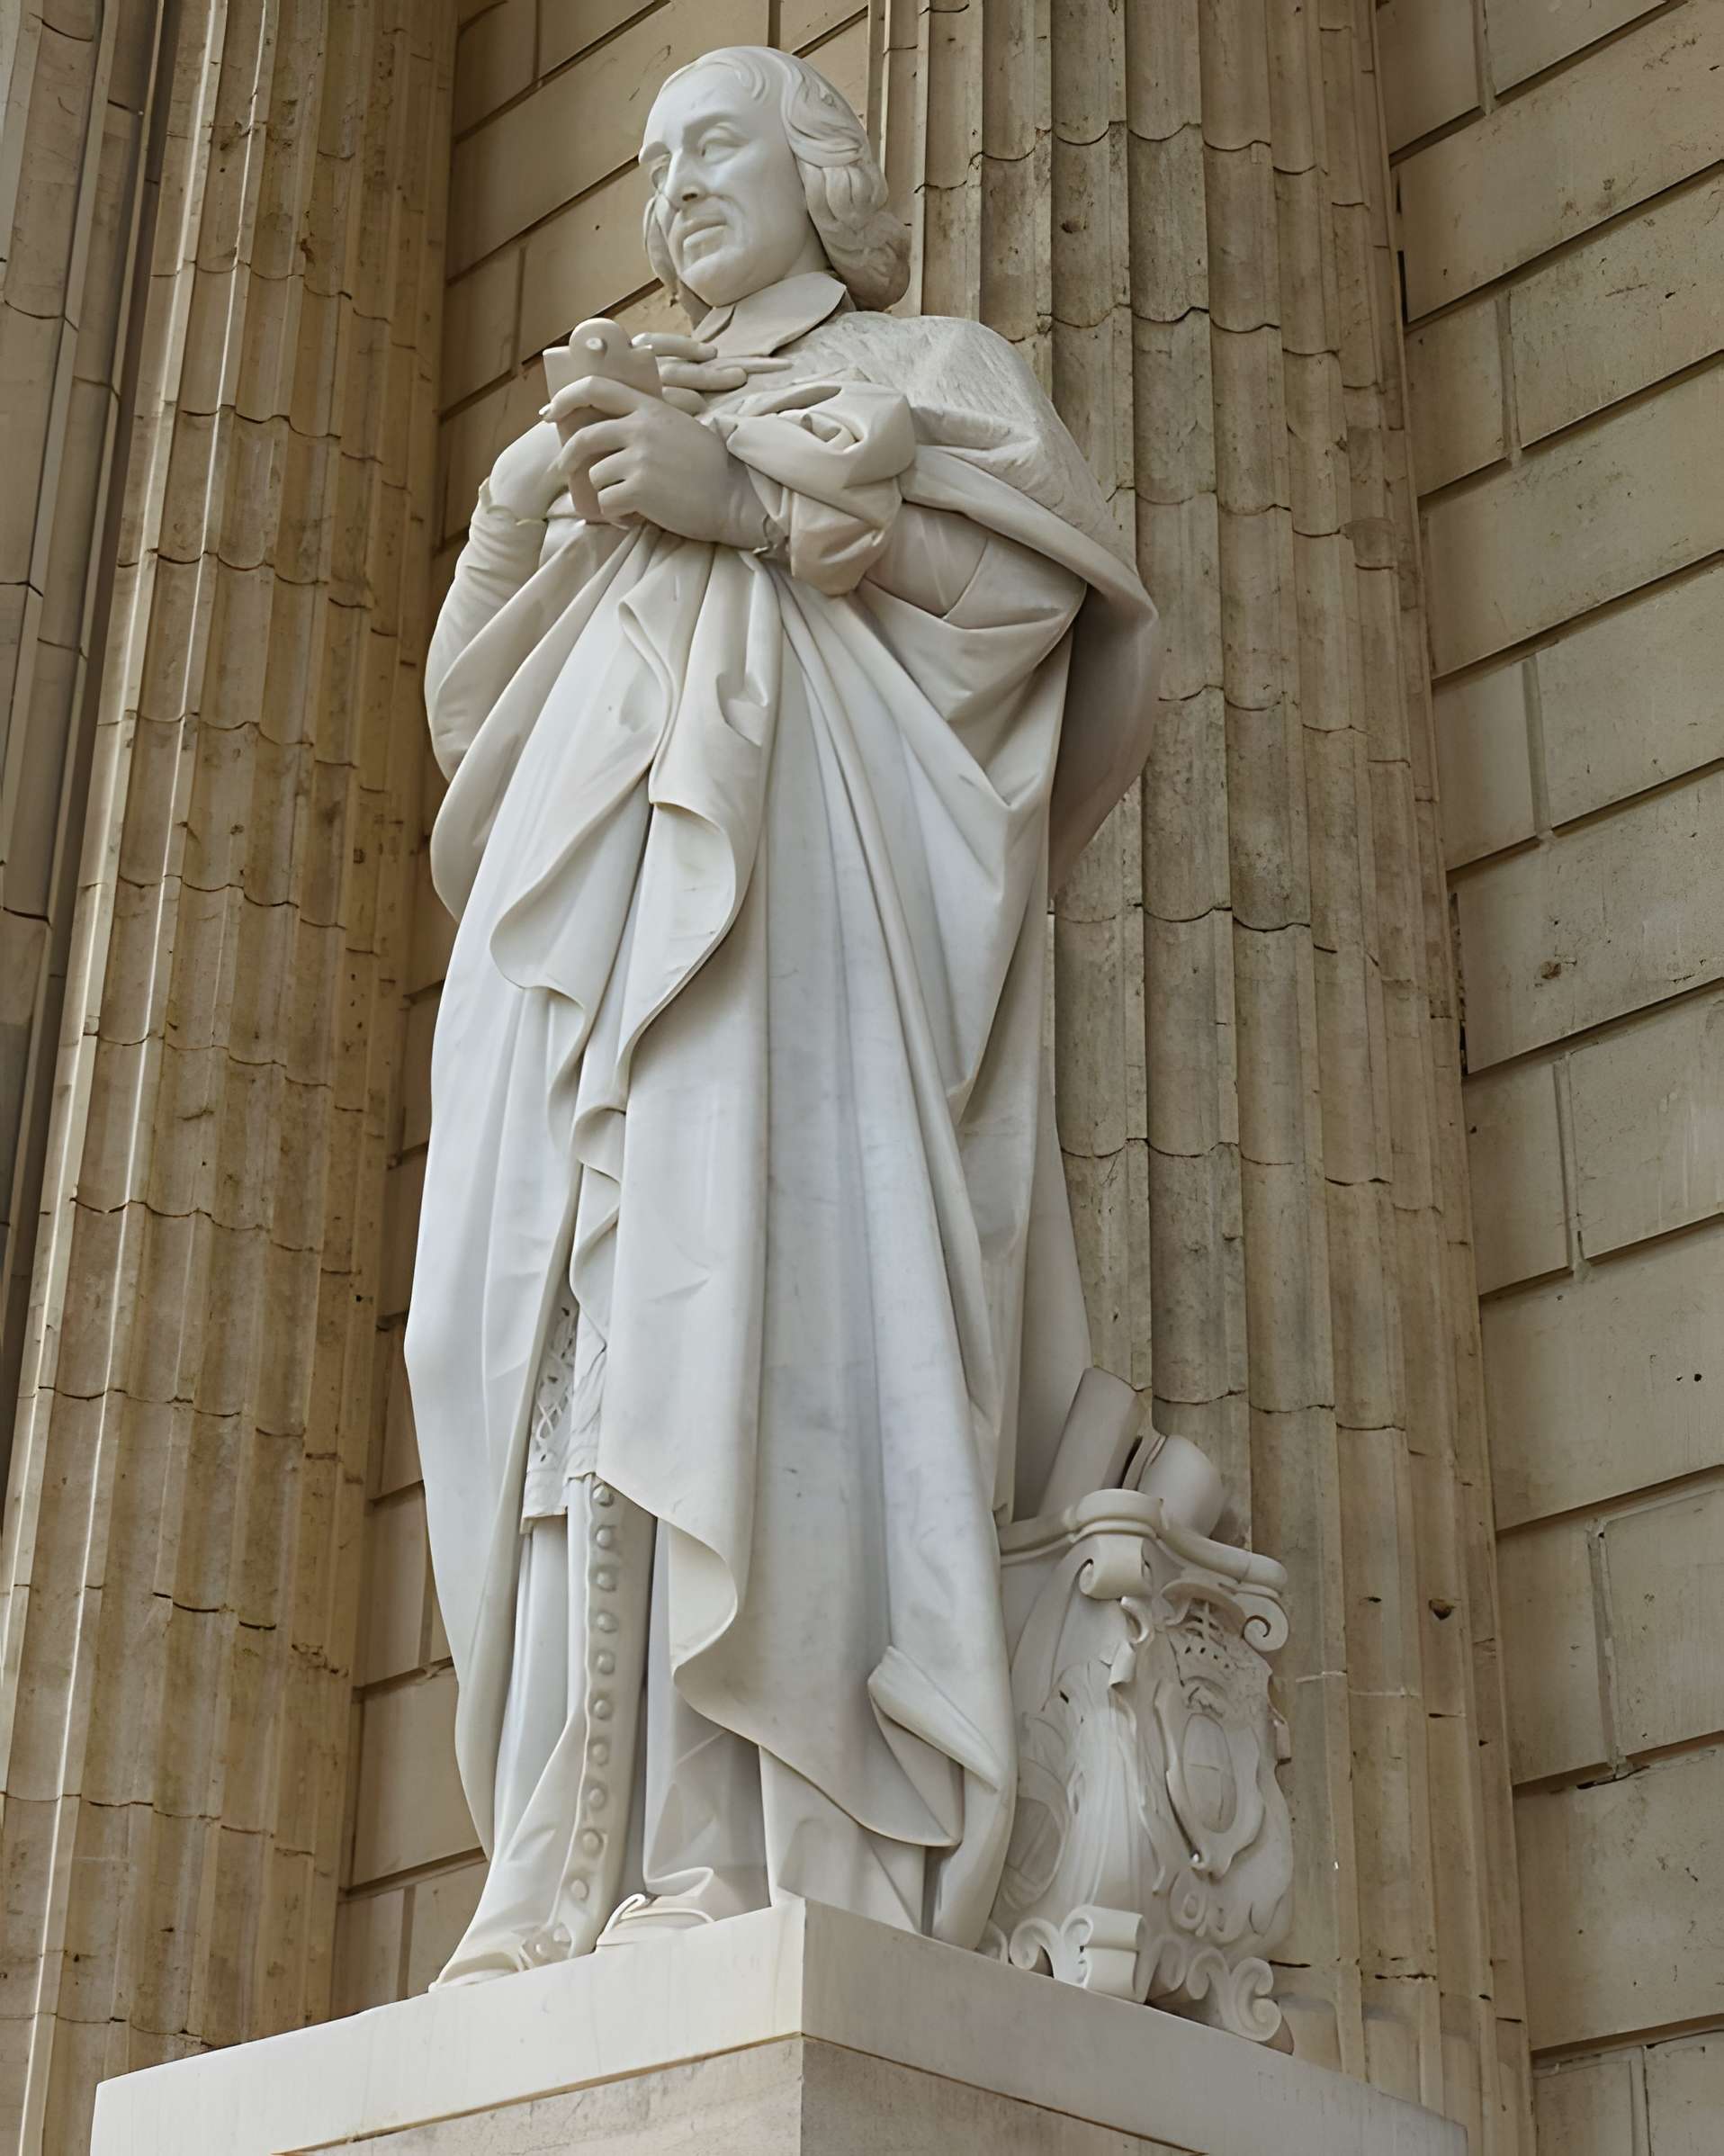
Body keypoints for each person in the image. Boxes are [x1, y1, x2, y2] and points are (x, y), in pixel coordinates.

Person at [405, 43, 1158, 1985]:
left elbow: (1026, 622)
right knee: (568, 1365)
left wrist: (740, 501)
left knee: (737, 1354)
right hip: (575, 1006)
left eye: (711, 145)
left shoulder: (932, 376)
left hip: (790, 985)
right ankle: (552, 1875)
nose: (670, 191)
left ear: (818, 173)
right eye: (648, 164)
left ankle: (730, 1849)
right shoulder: (626, 417)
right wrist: (523, 516)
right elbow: (482, 739)